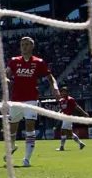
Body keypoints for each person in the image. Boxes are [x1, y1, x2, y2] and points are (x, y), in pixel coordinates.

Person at [4, 36, 58, 168]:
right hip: (16, 100)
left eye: (27, 44)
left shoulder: (38, 62)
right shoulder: (14, 61)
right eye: (22, 44)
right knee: (12, 128)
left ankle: (27, 158)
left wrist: (55, 88)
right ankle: (12, 146)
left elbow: (50, 77)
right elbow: (6, 74)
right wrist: (6, 80)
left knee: (29, 126)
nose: (24, 47)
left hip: (31, 99)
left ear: (32, 46)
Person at [55, 85, 88, 152]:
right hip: (64, 117)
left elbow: (76, 106)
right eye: (62, 92)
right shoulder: (61, 100)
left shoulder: (70, 99)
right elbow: (62, 109)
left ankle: (62, 147)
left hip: (68, 117)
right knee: (69, 133)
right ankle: (81, 144)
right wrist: (59, 112)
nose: (63, 93)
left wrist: (84, 113)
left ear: (67, 93)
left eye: (64, 92)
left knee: (63, 131)